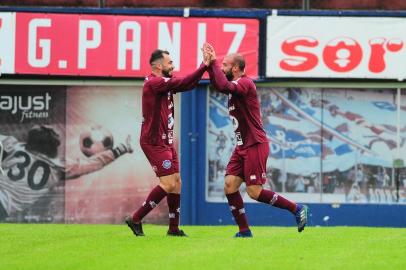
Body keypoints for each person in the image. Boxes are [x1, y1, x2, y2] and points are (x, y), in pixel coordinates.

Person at [204, 43, 308, 237]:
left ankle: (297, 208)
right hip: (242, 146)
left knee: (254, 192)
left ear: (235, 68)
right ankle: (244, 231)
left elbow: (224, 85)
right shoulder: (233, 85)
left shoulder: (245, 83)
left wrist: (213, 63)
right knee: (229, 185)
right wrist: (211, 65)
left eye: (225, 65)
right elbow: (219, 85)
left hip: (255, 144)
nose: (223, 68)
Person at [124, 48, 211, 237]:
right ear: (158, 65)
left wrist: (205, 68)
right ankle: (136, 218)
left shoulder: (164, 84)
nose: (173, 66)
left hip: (166, 141)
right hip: (154, 141)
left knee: (177, 182)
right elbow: (184, 81)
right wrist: (204, 66)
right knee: (169, 183)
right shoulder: (154, 83)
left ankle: (173, 229)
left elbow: (188, 85)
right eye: (170, 63)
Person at [0, 125, 133, 222]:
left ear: (30, 142)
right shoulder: (59, 168)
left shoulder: (13, 146)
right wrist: (122, 149)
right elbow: (95, 163)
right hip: (4, 208)